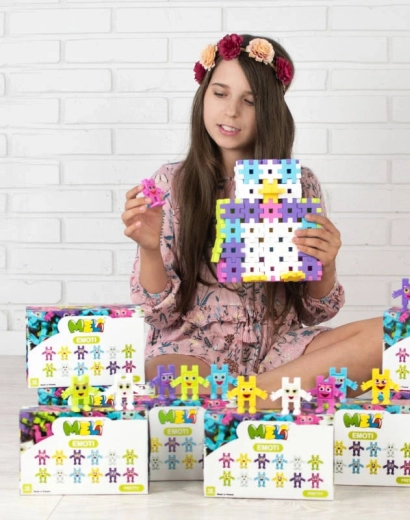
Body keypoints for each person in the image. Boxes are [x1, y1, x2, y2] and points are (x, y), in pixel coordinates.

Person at [122, 33, 382, 405]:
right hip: (193, 352)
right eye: (220, 94)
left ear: (271, 111)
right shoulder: (171, 182)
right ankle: (271, 397)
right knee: (167, 377)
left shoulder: (299, 184)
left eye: (250, 101)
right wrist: (150, 249)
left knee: (389, 338)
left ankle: (242, 400)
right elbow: (158, 315)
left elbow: (313, 313)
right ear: (203, 97)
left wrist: (325, 264)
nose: (231, 112)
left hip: (280, 350)